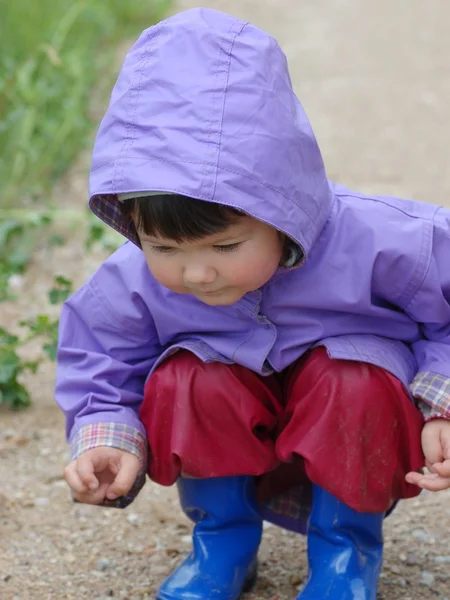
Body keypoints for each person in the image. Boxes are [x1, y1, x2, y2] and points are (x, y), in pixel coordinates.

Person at [55, 7, 450, 600]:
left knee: (356, 379)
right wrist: (106, 435)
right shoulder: (133, 280)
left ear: (281, 207)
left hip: (349, 422)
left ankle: (346, 554)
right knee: (188, 377)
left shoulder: (388, 244)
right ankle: (224, 545)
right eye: (163, 246)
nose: (196, 270)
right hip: (232, 427)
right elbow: (99, 356)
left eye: (226, 244)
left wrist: (441, 402)